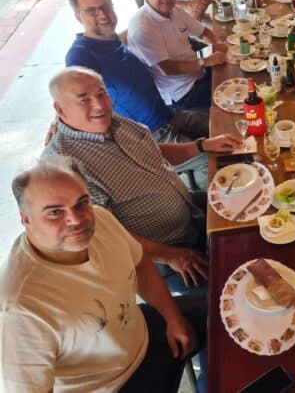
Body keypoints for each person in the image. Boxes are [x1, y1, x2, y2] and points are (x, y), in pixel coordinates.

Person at [0, 157, 207, 392]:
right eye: (55, 212)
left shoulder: (102, 220)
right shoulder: (19, 306)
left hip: (144, 332)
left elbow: (139, 262)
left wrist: (172, 317)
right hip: (109, 386)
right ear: (25, 218)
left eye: (81, 203)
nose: (77, 220)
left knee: (230, 315)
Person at [43, 67, 240, 294]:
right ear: (60, 109)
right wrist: (170, 256)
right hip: (166, 256)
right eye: (83, 100)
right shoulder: (62, 169)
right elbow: (101, 235)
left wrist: (201, 146)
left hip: (190, 214)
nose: (99, 105)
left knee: (253, 209)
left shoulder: (114, 122)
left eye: (101, 93)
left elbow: (153, 150)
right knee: (229, 291)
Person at [66, 0, 209, 148]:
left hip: (170, 115)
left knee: (226, 125)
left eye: (106, 7)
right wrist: (59, 123)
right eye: (92, 10)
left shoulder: (112, 39)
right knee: (215, 157)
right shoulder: (81, 54)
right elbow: (72, 99)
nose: (103, 14)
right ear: (78, 17)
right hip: (150, 137)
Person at [128, 0, 227, 111]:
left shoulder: (174, 11)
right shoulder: (142, 27)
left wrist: (216, 44)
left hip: (198, 68)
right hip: (183, 93)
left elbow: (203, 31)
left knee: (231, 59)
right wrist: (206, 61)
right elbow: (168, 69)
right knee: (233, 94)